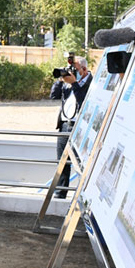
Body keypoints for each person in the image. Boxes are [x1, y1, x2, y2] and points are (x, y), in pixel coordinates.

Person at [52, 54, 92, 197]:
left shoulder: (92, 83)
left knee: (80, 163)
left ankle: (82, 196)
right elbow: (53, 95)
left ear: (84, 69)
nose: (71, 72)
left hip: (79, 127)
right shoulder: (67, 83)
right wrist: (60, 79)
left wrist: (74, 83)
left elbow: (83, 102)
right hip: (64, 125)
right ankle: (60, 193)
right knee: (62, 162)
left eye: (74, 69)